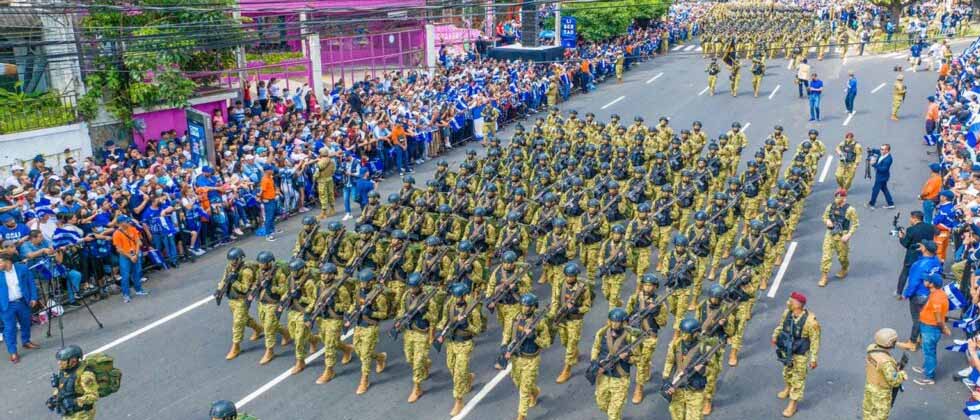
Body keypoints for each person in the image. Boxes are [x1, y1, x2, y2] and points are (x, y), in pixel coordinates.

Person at [771, 292, 820, 418]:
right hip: (787, 349)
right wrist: (775, 335)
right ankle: (788, 387)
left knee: (798, 378)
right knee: (787, 372)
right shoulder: (787, 313)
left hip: (800, 353)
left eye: (791, 301)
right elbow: (781, 326)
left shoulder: (811, 322)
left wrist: (813, 358)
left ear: (799, 304)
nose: (788, 303)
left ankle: (793, 404)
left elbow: (815, 340)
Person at [438, 282, 482, 416]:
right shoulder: (450, 305)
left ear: (464, 296)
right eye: (455, 296)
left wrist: (467, 325)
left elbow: (478, 329)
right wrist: (441, 331)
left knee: (458, 374)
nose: (456, 299)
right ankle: (467, 378)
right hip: (451, 342)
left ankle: (458, 400)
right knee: (451, 366)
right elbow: (444, 320)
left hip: (464, 343)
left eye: (458, 296)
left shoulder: (472, 309)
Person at [506, 293, 550, 420]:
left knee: (524, 390)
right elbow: (507, 333)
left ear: (534, 307)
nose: (525, 308)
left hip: (531, 359)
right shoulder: (516, 318)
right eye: (523, 305)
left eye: (528, 306)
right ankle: (535, 391)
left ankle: (521, 416)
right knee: (518, 382)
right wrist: (505, 346)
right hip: (517, 357)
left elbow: (546, 343)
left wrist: (534, 337)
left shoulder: (539, 323)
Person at [216, 247, 262, 360]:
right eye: (230, 260)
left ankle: (236, 347)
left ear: (240, 259)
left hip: (241, 300)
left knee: (237, 323)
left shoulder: (246, 271)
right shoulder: (229, 267)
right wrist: (219, 290)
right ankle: (258, 329)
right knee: (244, 319)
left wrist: (234, 281)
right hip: (232, 299)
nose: (232, 262)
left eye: (234, 260)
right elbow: (224, 280)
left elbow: (245, 289)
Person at [591, 307, 635, 420]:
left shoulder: (630, 336)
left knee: (613, 414)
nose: (614, 324)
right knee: (602, 404)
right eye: (612, 321)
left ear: (624, 322)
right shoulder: (602, 332)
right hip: (603, 375)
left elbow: (638, 358)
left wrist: (627, 358)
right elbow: (596, 348)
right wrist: (594, 362)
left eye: (617, 322)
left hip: (620, 378)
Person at [912, 272, 949, 386]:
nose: (924, 281)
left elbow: (938, 319)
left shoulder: (937, 298)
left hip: (930, 328)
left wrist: (943, 328)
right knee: (928, 350)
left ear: (931, 284)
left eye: (926, 280)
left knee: (929, 353)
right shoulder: (937, 293)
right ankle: (926, 368)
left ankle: (929, 377)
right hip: (928, 327)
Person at [0, 252, 38, 363]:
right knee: (10, 328)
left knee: (26, 323)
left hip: (23, 301)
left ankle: (26, 341)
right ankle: (13, 351)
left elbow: (31, 283)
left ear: (7, 261)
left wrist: (34, 297)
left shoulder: (22, 268)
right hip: (6, 306)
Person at [862, 328, 907, 420]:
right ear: (889, 343)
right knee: (880, 416)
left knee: (868, 411)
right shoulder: (886, 362)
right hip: (881, 392)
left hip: (870, 385)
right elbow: (893, 381)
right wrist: (902, 375)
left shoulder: (872, 349)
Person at [819, 188, 859, 286]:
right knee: (826, 256)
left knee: (842, 257)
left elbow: (855, 224)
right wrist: (827, 221)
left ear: (844, 198)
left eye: (839, 197)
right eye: (836, 197)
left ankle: (844, 268)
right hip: (830, 233)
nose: (837, 199)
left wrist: (849, 235)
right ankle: (824, 276)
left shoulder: (850, 210)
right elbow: (824, 216)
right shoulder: (830, 207)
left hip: (842, 236)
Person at [49, 345, 98, 420]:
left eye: (63, 360)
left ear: (73, 361)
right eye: (59, 360)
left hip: (82, 414)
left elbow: (93, 396)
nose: (59, 363)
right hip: (67, 413)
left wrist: (75, 401)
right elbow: (63, 387)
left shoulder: (85, 375)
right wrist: (54, 397)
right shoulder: (63, 371)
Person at [897, 212, 938, 297]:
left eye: (911, 218)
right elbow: (937, 232)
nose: (910, 220)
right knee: (924, 273)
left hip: (912, 256)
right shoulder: (930, 227)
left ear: (915, 219)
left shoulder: (911, 230)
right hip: (926, 254)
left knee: (905, 273)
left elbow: (906, 243)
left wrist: (901, 237)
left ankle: (899, 292)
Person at [111, 216, 148, 303]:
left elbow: (138, 241)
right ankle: (126, 295)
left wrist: (136, 254)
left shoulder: (132, 229)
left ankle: (139, 290)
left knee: (137, 272)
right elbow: (119, 249)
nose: (128, 222)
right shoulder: (116, 234)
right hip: (125, 256)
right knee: (125, 276)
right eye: (126, 221)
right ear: (120, 223)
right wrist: (131, 256)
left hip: (135, 254)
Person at [868, 144, 894, 209]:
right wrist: (872, 150)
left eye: (882, 149)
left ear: (887, 151)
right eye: (881, 149)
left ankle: (871, 204)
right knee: (884, 189)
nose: (880, 150)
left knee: (875, 190)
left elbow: (883, 169)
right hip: (882, 176)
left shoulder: (888, 159)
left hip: (881, 177)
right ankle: (890, 203)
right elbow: (877, 151)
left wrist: (874, 164)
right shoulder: (882, 153)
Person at [259, 165, 278, 242]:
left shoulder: (270, 178)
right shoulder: (264, 179)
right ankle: (268, 234)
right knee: (269, 217)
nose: (272, 170)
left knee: (272, 216)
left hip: (272, 199)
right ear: (267, 171)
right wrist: (262, 199)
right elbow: (262, 191)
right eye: (271, 169)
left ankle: (272, 230)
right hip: (268, 200)